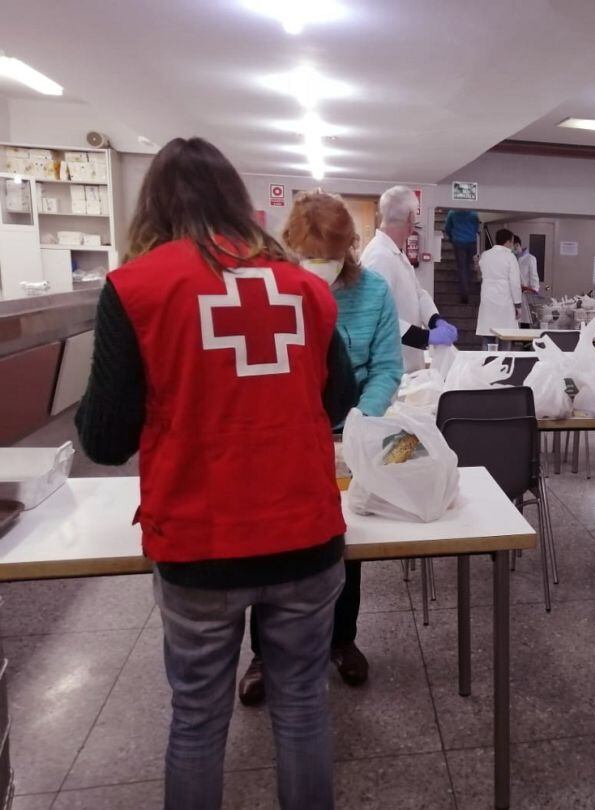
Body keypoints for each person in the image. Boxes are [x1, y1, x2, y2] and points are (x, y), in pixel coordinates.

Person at [74, 137, 356, 810]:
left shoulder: (137, 287)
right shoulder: (303, 287)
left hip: (201, 543)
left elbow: (107, 441)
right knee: (303, 710)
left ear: (153, 206)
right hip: (306, 534)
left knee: (198, 721)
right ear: (241, 202)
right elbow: (339, 397)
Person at [238, 190, 404, 707]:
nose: (321, 266)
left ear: (349, 248)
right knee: (269, 546)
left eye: (331, 256)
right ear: (290, 246)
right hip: (279, 434)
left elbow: (386, 367)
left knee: (342, 542)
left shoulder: (373, 291)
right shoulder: (270, 291)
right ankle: (264, 654)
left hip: (344, 431)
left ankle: (341, 639)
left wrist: (359, 419)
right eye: (311, 255)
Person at [362, 185, 458, 372]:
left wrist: (434, 320)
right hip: (389, 368)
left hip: (406, 364)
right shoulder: (378, 257)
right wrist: (424, 337)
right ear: (410, 219)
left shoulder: (395, 253)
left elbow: (418, 293)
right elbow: (376, 318)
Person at [476, 228, 523, 338]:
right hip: (504, 301)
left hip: (487, 299)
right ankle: (505, 356)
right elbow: (515, 283)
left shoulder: (485, 255)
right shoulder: (510, 257)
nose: (512, 245)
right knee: (505, 335)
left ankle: (486, 355)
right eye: (512, 242)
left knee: (488, 334)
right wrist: (518, 305)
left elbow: (481, 273)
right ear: (507, 242)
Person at [443, 207, 480, 303]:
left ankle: (464, 293)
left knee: (462, 267)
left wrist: (452, 237)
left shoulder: (452, 212)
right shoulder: (474, 213)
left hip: (458, 242)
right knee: (469, 265)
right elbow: (477, 227)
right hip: (471, 242)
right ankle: (471, 287)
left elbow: (447, 228)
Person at [513, 234, 540, 328]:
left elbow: (534, 277)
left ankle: (526, 343)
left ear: (517, 245)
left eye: (514, 247)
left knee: (525, 323)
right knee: (513, 323)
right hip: (513, 295)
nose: (513, 250)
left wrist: (534, 291)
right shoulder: (512, 258)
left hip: (525, 294)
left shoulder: (530, 259)